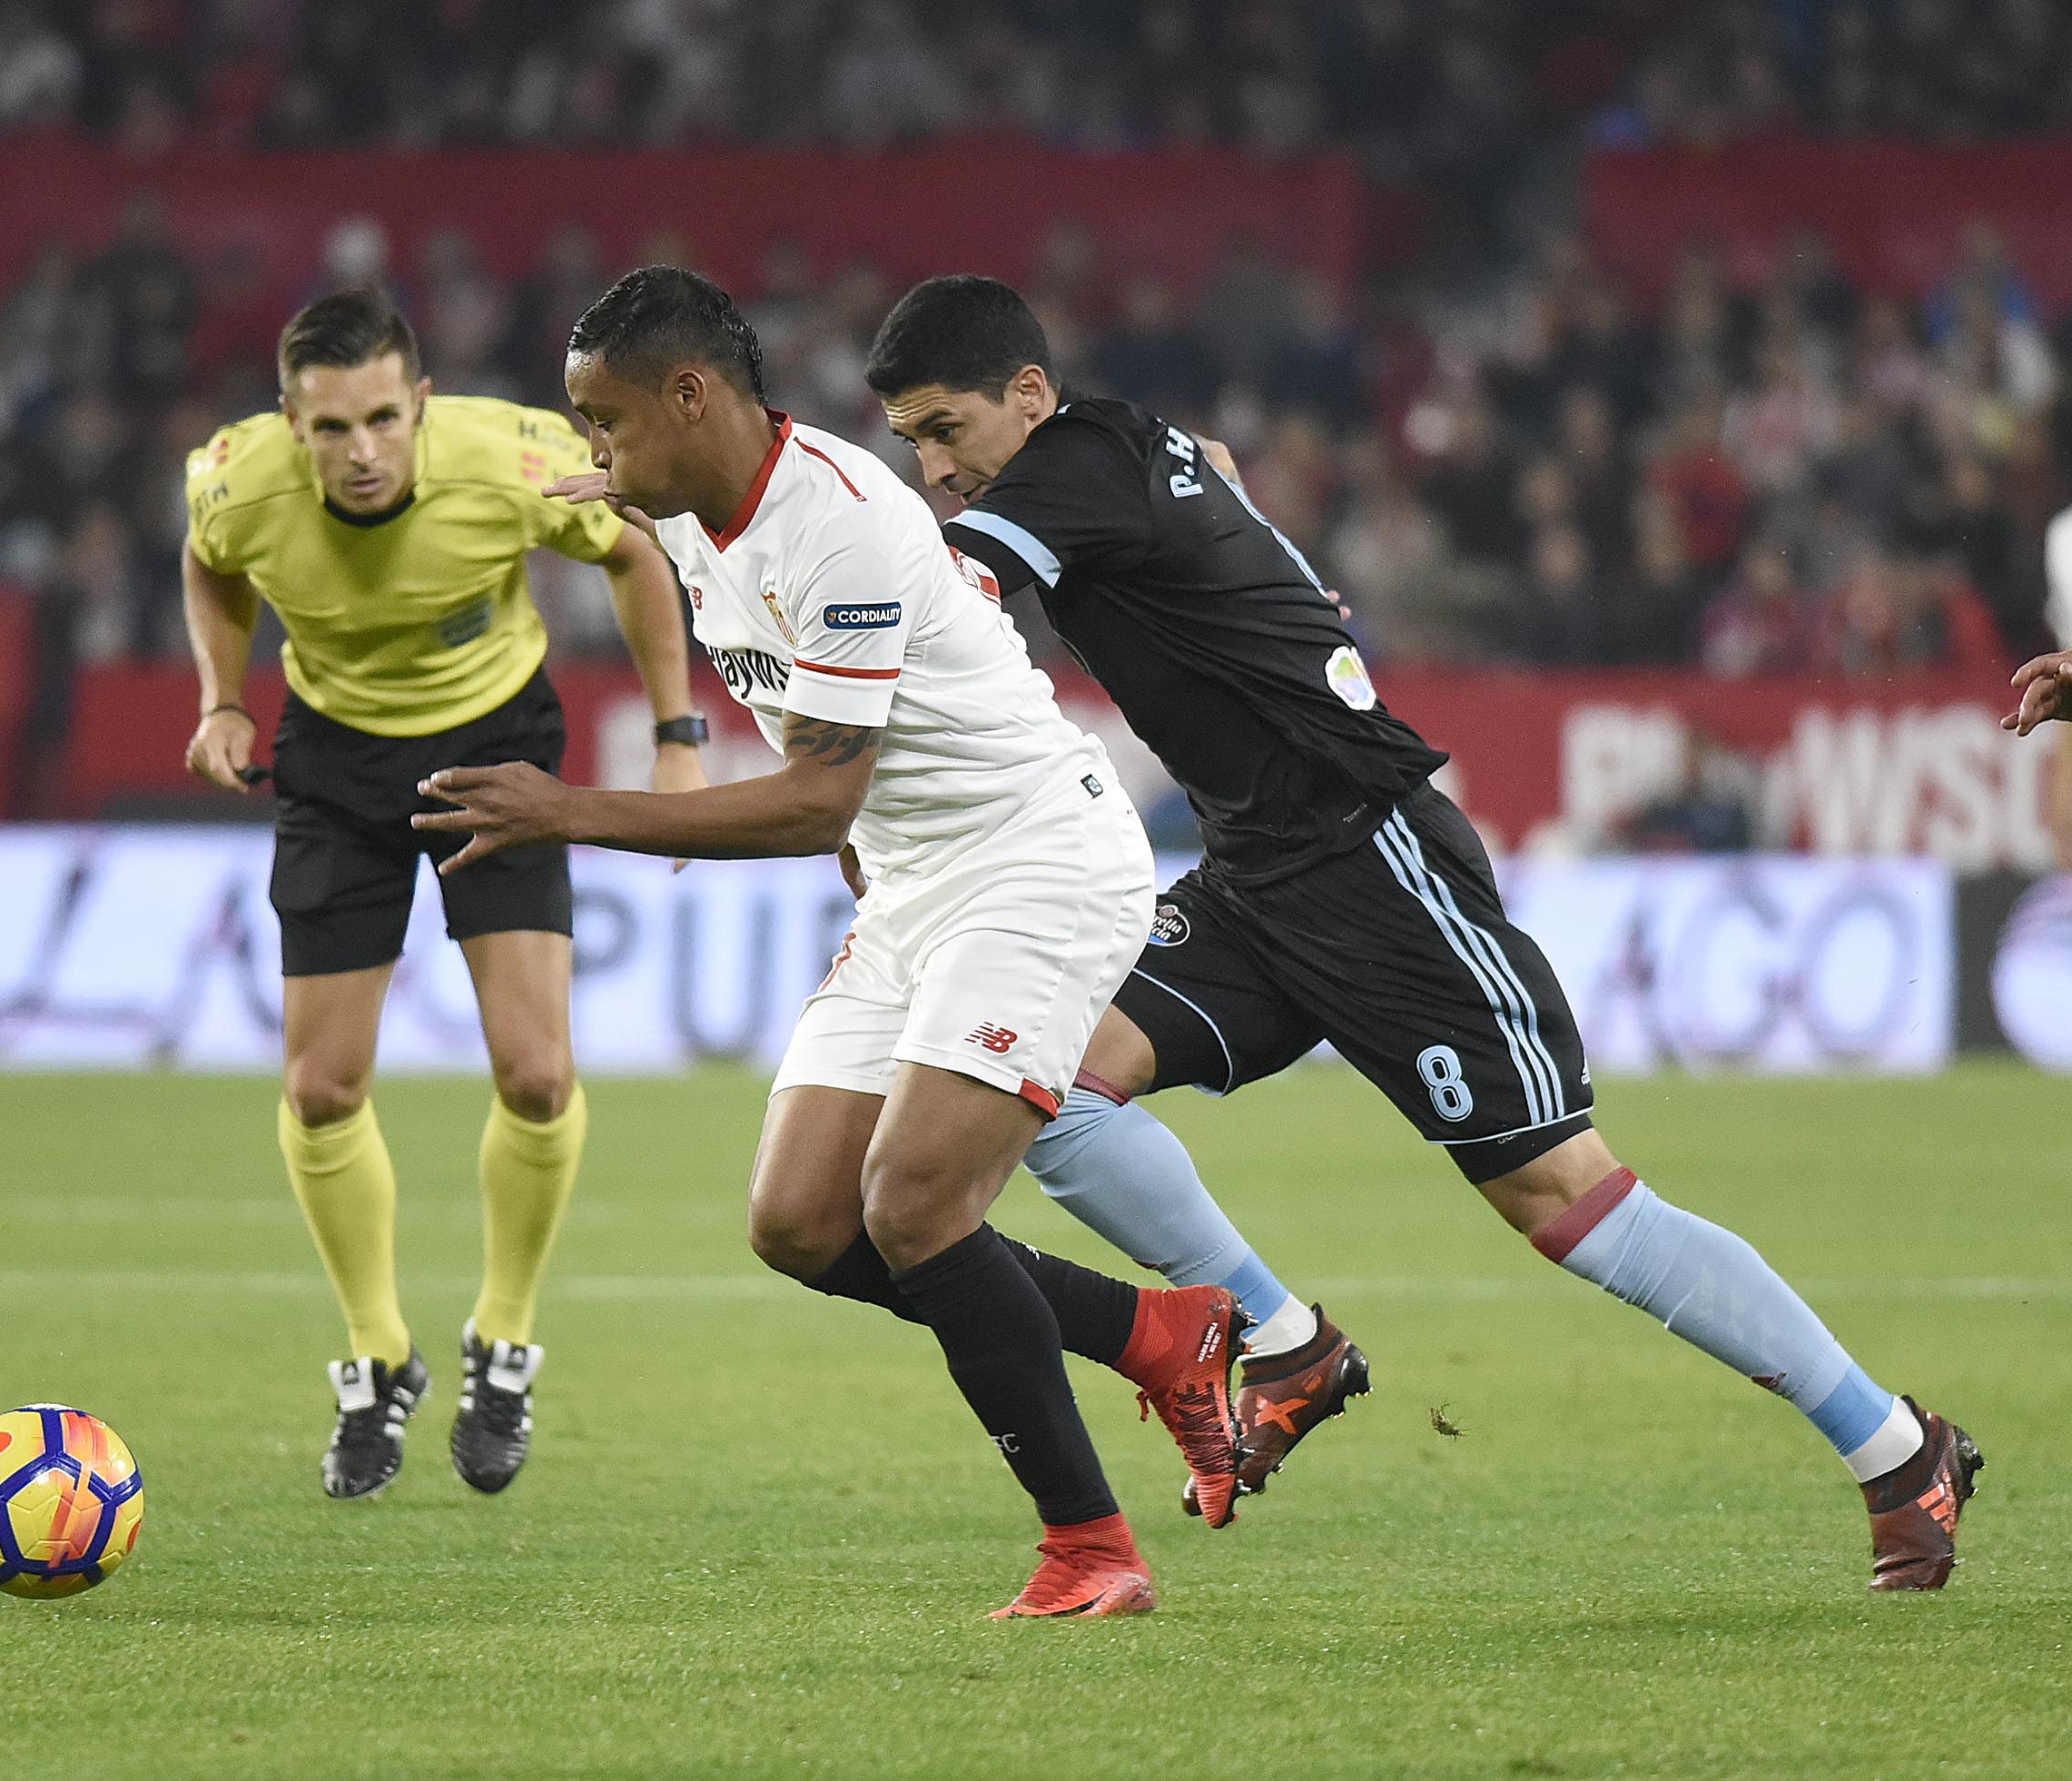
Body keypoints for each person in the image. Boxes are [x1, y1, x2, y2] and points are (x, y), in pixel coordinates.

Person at [863, 273, 1984, 1592]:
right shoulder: (1125, 450)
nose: (935, 468)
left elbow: (926, 598)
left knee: (1565, 1199)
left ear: (1030, 396)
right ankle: (1282, 1340)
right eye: (912, 446)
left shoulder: (1064, 474)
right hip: (1251, 875)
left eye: (946, 431)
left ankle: (1898, 1445)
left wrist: (743, 544)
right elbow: (1210, 468)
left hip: (1377, 865)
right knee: (1043, 1086)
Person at [416, 266, 1246, 1618]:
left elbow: (815, 798)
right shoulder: (685, 507)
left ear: (692, 395)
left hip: (1035, 862)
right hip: (918, 882)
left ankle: (1091, 1549)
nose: (594, 453)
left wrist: (570, 808)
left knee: (915, 1204)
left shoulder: (843, 525)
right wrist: (629, 506)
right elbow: (821, 758)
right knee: (800, 1220)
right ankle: (1159, 1331)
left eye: (605, 421)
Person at [180, 290, 706, 1501]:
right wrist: (221, 693)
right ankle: (375, 1353)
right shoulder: (231, 484)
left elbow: (632, 548)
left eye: (379, 419)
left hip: (492, 751)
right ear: (288, 421)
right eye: (328, 428)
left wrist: (678, 736)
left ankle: (503, 1340)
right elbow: (211, 571)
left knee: (536, 1071)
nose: (358, 453)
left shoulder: (512, 458)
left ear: (418, 405)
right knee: (320, 1089)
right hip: (334, 760)